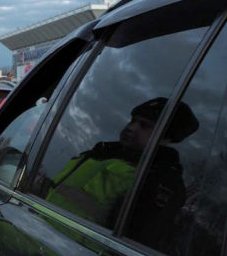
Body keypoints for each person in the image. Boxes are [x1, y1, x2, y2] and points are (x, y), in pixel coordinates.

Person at [45, 97, 198, 233]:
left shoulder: (161, 181)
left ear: (166, 138)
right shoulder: (101, 152)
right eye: (133, 120)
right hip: (39, 240)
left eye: (144, 125)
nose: (132, 127)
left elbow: (137, 238)